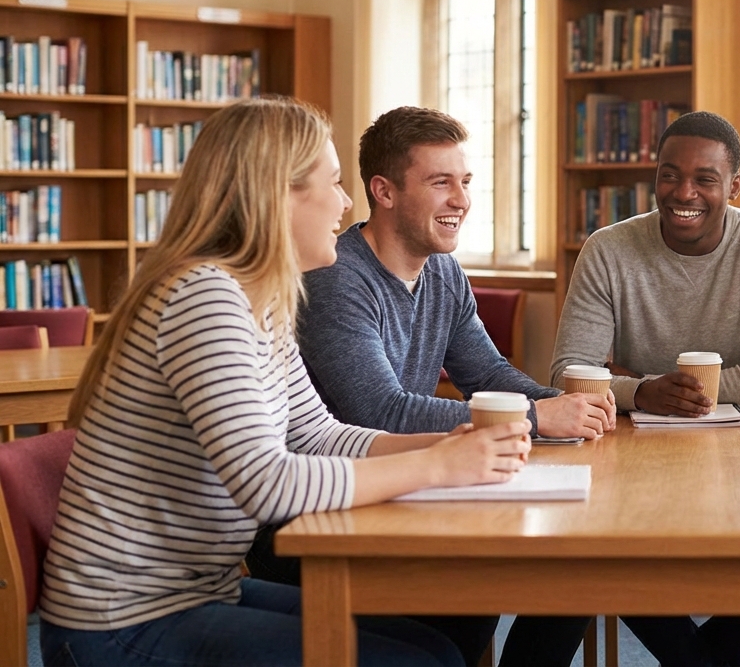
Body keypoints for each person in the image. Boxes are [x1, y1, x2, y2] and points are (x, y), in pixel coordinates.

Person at [39, 98, 532, 667]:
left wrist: (449, 444)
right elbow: (267, 484)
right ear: (278, 195)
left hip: (197, 592)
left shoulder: (262, 297)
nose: (348, 204)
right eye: (336, 184)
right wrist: (440, 465)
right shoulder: (206, 297)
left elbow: (320, 434)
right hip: (122, 621)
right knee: (422, 662)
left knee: (435, 647)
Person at [250, 105, 599, 665]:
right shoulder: (335, 278)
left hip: (389, 491)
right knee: (494, 587)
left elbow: (486, 375)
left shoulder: (442, 271)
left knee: (570, 569)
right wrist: (533, 420)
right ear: (383, 192)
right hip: (320, 520)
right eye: (441, 183)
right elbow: (378, 409)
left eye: (464, 182)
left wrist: (559, 404)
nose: (461, 199)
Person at [550, 110, 740, 666]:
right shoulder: (608, 248)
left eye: (704, 179)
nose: (683, 192)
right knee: (590, 553)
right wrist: (642, 392)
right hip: (635, 458)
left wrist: (666, 392)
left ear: (733, 186)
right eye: (669, 175)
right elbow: (568, 373)